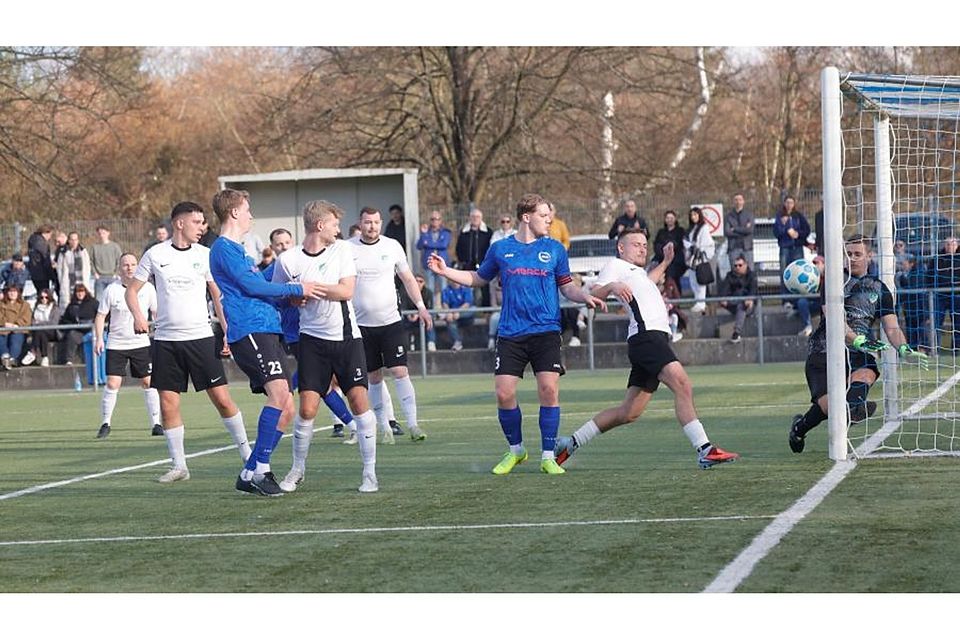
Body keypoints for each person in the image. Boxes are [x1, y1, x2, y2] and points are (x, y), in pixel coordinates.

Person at [427, 193, 606, 475]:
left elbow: (567, 286)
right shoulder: (500, 249)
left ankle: (548, 456)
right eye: (543, 216)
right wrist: (445, 271)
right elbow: (478, 278)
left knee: (549, 390)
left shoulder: (555, 249)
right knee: (504, 393)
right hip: (511, 332)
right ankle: (516, 450)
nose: (549, 220)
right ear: (526, 217)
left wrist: (584, 296)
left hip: (546, 330)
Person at [553, 229, 739, 470]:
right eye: (636, 244)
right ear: (621, 248)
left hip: (650, 339)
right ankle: (705, 450)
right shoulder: (616, 265)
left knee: (629, 412)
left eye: (644, 244)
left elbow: (648, 282)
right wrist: (612, 286)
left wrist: (666, 262)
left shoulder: (637, 273)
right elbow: (594, 293)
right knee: (682, 384)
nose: (642, 248)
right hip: (647, 338)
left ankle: (570, 443)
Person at [126, 201, 253, 484]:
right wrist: (138, 316)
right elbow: (131, 291)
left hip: (201, 338)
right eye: (197, 222)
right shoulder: (155, 254)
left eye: (203, 222)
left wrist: (228, 330)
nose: (202, 227)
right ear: (179, 223)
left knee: (222, 400)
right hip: (166, 341)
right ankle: (179, 466)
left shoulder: (206, 255)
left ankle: (248, 456)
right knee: (168, 403)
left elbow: (218, 295)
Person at [209, 189, 323, 496]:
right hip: (250, 330)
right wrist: (296, 287)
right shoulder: (222, 248)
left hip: (267, 329)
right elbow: (251, 285)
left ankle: (250, 471)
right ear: (234, 212)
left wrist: (289, 283)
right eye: (247, 210)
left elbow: (261, 284)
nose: (251, 215)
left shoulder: (239, 250)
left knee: (287, 407)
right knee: (279, 395)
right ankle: (260, 471)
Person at [272, 199, 380, 493]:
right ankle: (297, 470)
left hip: (346, 339)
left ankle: (369, 473)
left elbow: (346, 291)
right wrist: (293, 296)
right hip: (311, 341)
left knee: (358, 402)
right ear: (320, 225)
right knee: (307, 408)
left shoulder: (342, 250)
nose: (338, 229)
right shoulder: (288, 260)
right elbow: (278, 295)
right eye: (334, 224)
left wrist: (308, 288)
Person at [788, 236, 928, 453]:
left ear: (869, 256)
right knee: (831, 409)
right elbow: (834, 320)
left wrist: (903, 347)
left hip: (856, 353)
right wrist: (858, 339)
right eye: (848, 254)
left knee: (867, 371)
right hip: (824, 352)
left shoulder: (879, 288)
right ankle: (800, 428)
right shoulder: (834, 282)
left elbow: (892, 327)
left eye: (857, 254)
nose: (852, 258)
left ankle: (853, 407)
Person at [349, 206, 432, 443]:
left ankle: (413, 424)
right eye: (367, 222)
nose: (372, 226)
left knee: (399, 370)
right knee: (374, 377)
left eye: (376, 222)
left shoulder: (392, 246)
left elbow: (408, 279)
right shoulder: (347, 248)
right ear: (360, 223)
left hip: (390, 322)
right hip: (361, 325)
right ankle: (384, 427)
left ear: (380, 223)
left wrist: (421, 306)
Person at [93, 253, 162, 439]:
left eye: (133, 264)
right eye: (125, 265)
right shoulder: (112, 290)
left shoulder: (148, 288)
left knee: (148, 382)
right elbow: (101, 316)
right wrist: (99, 339)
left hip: (141, 343)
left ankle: (156, 423)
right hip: (117, 343)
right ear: (119, 268)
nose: (129, 268)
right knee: (112, 383)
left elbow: (157, 313)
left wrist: (161, 333)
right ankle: (106, 423)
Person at [773, 196, 810, 304]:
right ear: (784, 204)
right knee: (784, 273)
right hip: (785, 248)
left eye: (791, 202)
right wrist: (785, 228)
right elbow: (776, 232)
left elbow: (806, 230)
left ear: (794, 204)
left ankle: (798, 300)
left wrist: (798, 234)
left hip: (797, 249)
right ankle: (786, 300)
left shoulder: (798, 216)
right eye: (787, 202)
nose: (789, 205)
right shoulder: (779, 216)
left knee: (798, 273)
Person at [455, 208, 493, 308]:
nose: (475, 219)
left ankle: (485, 310)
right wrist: (462, 260)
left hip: (483, 263)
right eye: (473, 217)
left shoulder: (488, 232)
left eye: (477, 217)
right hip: (467, 264)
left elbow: (491, 247)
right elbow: (458, 248)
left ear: (481, 218)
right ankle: (469, 309)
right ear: (470, 218)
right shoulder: (464, 232)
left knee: (485, 288)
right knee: (467, 287)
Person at [927, 236, 960, 349]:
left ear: (957, 245)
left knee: (957, 323)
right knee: (936, 322)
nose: (950, 247)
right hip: (939, 295)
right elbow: (929, 275)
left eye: (952, 244)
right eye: (947, 244)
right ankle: (934, 348)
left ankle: (956, 348)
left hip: (956, 295)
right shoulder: (937, 259)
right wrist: (931, 288)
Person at [416, 210, 453, 309]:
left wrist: (427, 243)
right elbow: (419, 246)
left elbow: (443, 245)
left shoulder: (446, 232)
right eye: (432, 219)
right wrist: (423, 234)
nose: (434, 221)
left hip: (441, 264)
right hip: (429, 264)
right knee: (430, 288)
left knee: (443, 287)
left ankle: (444, 309)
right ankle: (432, 309)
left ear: (440, 220)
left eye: (437, 219)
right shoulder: (426, 232)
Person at [717, 255, 758, 343]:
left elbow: (753, 289)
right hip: (733, 303)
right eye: (735, 266)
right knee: (737, 304)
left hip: (748, 305)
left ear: (745, 265)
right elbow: (724, 289)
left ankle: (736, 332)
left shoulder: (751, 275)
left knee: (741, 306)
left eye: (740, 265)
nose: (737, 268)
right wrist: (723, 299)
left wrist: (750, 299)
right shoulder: (730, 275)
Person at [683, 206, 715, 314]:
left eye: (695, 215)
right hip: (692, 259)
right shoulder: (691, 229)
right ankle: (697, 300)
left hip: (699, 258)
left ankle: (701, 303)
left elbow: (707, 243)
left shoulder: (704, 228)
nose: (693, 217)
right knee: (693, 281)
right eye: (691, 215)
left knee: (700, 281)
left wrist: (699, 251)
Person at [58, 283, 98, 365]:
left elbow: (101, 315)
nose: (80, 294)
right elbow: (65, 319)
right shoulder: (71, 305)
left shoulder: (93, 303)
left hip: (92, 330)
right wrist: (74, 324)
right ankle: (69, 360)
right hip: (78, 331)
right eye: (78, 292)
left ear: (85, 292)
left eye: (82, 291)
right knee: (72, 336)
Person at [401, 273, 437, 352]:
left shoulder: (428, 293)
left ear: (424, 283)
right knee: (400, 323)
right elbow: (403, 307)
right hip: (409, 318)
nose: (418, 283)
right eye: (416, 281)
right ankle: (402, 345)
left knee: (430, 320)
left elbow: (430, 308)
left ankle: (431, 342)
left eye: (421, 281)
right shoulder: (406, 292)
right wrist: (409, 316)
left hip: (423, 317)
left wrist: (418, 315)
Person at [56, 231, 92, 310]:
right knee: (68, 306)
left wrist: (86, 279)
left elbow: (87, 267)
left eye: (75, 239)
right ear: (68, 241)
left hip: (82, 282)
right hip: (68, 284)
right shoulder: (63, 253)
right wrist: (62, 282)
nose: (74, 242)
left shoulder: (83, 251)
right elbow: (59, 270)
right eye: (72, 240)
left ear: (78, 240)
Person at [25, 288, 59, 367]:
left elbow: (53, 323)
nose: (44, 299)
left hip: (52, 331)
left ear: (50, 298)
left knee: (40, 330)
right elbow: (33, 322)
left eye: (46, 297)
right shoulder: (36, 308)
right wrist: (40, 324)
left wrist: (40, 324)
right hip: (39, 332)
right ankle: (45, 357)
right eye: (42, 297)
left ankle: (33, 352)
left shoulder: (54, 308)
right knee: (41, 333)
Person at [0, 284, 32, 369]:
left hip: (18, 328)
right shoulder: (1, 304)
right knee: (1, 339)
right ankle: (5, 357)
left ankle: (12, 359)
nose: (12, 293)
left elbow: (26, 318)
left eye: (14, 291)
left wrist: (17, 324)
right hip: (3, 328)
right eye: (10, 291)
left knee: (16, 340)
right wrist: (4, 323)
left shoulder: (25, 305)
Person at [89, 225, 123, 301]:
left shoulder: (115, 246)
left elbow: (120, 260)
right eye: (99, 233)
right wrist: (95, 273)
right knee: (99, 300)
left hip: (112, 277)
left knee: (114, 300)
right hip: (100, 278)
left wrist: (116, 273)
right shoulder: (94, 247)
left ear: (108, 233)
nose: (101, 235)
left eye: (103, 233)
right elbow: (90, 261)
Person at [652, 210, 686, 286]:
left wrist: (670, 248)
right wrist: (662, 252)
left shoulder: (680, 231)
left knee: (674, 281)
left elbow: (680, 244)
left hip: (676, 261)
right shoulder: (661, 232)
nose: (669, 220)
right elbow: (657, 244)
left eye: (671, 218)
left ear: (675, 219)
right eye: (667, 218)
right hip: (662, 260)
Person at [439, 279, 474, 351]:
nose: (455, 282)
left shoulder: (466, 289)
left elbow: (467, 304)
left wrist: (458, 312)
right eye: (453, 280)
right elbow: (445, 304)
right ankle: (457, 341)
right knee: (449, 319)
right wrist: (448, 312)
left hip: (465, 313)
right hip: (452, 314)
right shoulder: (446, 290)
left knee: (473, 309)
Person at [724, 193, 754, 267]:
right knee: (735, 271)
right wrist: (743, 231)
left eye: (740, 200)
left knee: (750, 270)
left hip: (747, 248)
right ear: (733, 202)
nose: (738, 202)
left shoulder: (749, 215)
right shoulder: (728, 216)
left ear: (743, 201)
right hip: (733, 248)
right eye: (736, 200)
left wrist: (735, 229)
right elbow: (727, 232)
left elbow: (749, 230)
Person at [27, 224, 56, 296]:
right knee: (45, 294)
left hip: (35, 274)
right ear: (45, 233)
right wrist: (52, 275)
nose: (50, 237)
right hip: (42, 274)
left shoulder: (33, 240)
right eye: (50, 235)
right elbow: (45, 260)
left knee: (40, 293)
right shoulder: (41, 243)